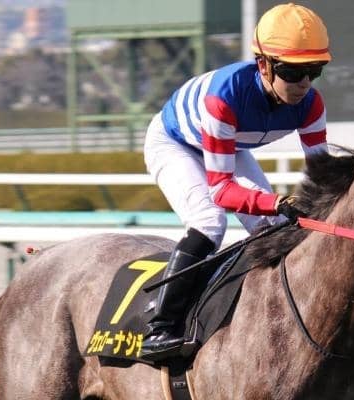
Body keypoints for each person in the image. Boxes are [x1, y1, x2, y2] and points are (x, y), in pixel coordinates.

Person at [141, 2, 332, 360]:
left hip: (229, 144)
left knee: (272, 229)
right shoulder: (225, 98)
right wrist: (277, 201)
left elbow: (323, 176)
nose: (305, 83)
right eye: (293, 71)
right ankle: (160, 327)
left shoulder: (311, 104)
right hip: (175, 143)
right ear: (264, 65)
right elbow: (222, 191)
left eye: (314, 70)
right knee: (209, 222)